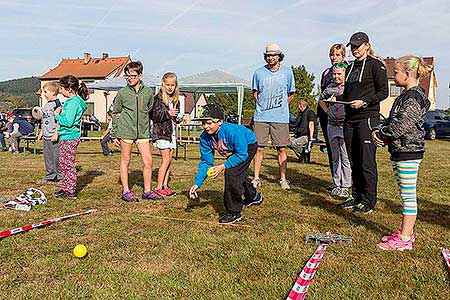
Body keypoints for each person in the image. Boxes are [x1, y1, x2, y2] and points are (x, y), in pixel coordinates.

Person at [373, 56, 432, 251]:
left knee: (408, 196)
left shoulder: (414, 98)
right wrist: (383, 133)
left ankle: (406, 239)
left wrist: (383, 134)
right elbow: (392, 121)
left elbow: (401, 125)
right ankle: (405, 231)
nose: (393, 75)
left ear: (408, 74)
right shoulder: (403, 97)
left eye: (396, 72)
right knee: (403, 193)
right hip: (399, 150)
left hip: (409, 152)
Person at [339, 32, 388, 214]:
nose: (354, 49)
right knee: (354, 160)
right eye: (352, 46)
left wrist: (365, 102)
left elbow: (383, 92)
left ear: (367, 45)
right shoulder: (350, 67)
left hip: (368, 117)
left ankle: (369, 200)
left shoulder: (376, 65)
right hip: (350, 119)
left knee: (366, 160)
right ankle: (357, 195)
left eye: (357, 46)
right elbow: (348, 92)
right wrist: (337, 98)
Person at [189, 104, 262, 224]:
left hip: (248, 146)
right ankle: (254, 196)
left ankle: (234, 212)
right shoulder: (204, 138)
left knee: (232, 173)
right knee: (238, 174)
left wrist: (223, 166)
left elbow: (242, 154)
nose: (206, 127)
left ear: (220, 122)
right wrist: (197, 183)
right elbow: (206, 161)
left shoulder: (232, 132)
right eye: (203, 123)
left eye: (209, 123)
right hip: (236, 150)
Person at [111, 61, 160, 202]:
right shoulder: (122, 93)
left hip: (143, 132)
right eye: (127, 76)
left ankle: (147, 191)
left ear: (140, 75)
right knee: (126, 160)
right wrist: (115, 133)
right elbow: (116, 112)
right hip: (126, 131)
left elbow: (149, 109)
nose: (129, 78)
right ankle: (126, 190)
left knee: (148, 161)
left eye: (132, 75)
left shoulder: (149, 92)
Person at [251, 43, 295, 190]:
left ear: (279, 56)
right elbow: (255, 93)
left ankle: (283, 179)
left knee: (281, 148)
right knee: (259, 148)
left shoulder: (287, 73)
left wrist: (281, 106)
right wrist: (263, 106)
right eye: (268, 55)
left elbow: (291, 93)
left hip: (280, 118)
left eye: (274, 55)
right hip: (261, 117)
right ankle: (256, 178)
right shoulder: (258, 73)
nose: (271, 58)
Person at [318, 62, 351, 198]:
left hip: (344, 126)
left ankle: (346, 185)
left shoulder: (348, 88)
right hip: (332, 125)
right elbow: (321, 99)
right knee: (335, 156)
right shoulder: (330, 88)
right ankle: (337, 184)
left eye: (339, 74)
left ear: (345, 74)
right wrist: (327, 112)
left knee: (345, 157)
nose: (336, 76)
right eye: (335, 74)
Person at [53, 75, 88, 199]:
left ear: (69, 89)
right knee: (64, 163)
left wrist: (57, 115)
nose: (60, 91)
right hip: (67, 136)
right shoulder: (73, 102)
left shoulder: (73, 103)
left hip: (70, 136)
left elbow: (68, 122)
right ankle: (66, 187)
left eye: (62, 88)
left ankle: (70, 191)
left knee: (68, 164)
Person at [150, 72, 183, 198]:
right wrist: (168, 113)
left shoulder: (175, 100)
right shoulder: (158, 99)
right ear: (163, 85)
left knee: (169, 161)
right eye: (167, 85)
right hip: (161, 132)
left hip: (171, 133)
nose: (170, 87)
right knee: (165, 160)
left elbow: (175, 117)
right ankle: (158, 187)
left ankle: (165, 185)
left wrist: (178, 118)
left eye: (172, 85)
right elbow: (155, 116)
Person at [37, 81, 63, 184]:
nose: (44, 94)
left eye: (45, 91)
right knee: (48, 157)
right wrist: (41, 132)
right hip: (46, 136)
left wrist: (56, 133)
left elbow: (59, 120)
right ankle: (50, 175)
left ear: (53, 92)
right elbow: (44, 120)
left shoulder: (57, 104)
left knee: (57, 157)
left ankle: (60, 177)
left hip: (54, 136)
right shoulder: (46, 105)